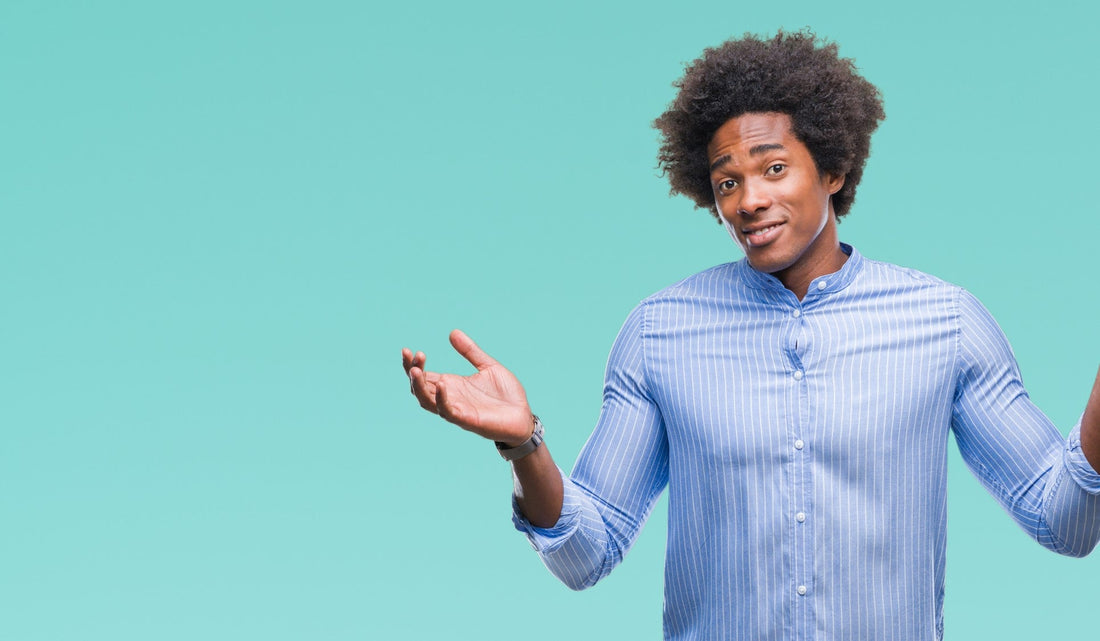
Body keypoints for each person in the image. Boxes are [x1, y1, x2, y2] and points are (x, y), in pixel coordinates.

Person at [400, 30, 1100, 640]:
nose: (750, 199)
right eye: (726, 181)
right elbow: (587, 552)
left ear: (833, 168)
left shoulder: (945, 322)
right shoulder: (660, 332)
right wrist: (524, 444)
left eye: (772, 168)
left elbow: (1067, 519)